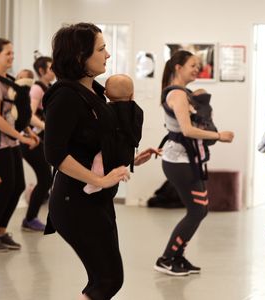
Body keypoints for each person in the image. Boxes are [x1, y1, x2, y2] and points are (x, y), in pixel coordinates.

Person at [43, 23, 154, 300]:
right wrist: (98, 179)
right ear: (81, 56)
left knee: (106, 280)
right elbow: (55, 154)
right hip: (74, 201)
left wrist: (128, 161)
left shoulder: (95, 91)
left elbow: (97, 142)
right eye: (101, 49)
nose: (108, 55)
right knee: (107, 280)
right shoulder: (66, 96)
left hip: (95, 200)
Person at [154, 50, 234, 276]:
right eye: (192, 65)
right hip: (179, 161)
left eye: (198, 65)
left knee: (199, 210)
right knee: (197, 211)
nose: (197, 69)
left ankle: (176, 256)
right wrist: (220, 136)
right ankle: (167, 258)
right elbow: (188, 130)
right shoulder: (177, 94)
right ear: (178, 67)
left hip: (188, 160)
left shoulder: (184, 93)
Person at [0, 38, 38, 252]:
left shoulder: (11, 80)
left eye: (13, 53)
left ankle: (1, 232)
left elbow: (17, 114)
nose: (12, 57)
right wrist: (20, 137)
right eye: (7, 54)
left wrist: (29, 131)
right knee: (5, 188)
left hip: (10, 139)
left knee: (18, 186)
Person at [83, 73, 160, 194]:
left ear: (106, 94)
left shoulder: (105, 109)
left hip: (108, 151)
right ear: (132, 94)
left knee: (98, 160)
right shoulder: (137, 111)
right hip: (126, 151)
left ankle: (94, 183)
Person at [20, 54, 55, 232]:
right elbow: (29, 116)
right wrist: (46, 126)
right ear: (41, 71)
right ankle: (30, 218)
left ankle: (31, 217)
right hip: (30, 141)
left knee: (46, 179)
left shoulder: (48, 87)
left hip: (39, 140)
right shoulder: (37, 89)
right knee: (45, 179)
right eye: (51, 68)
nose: (54, 70)